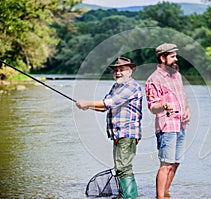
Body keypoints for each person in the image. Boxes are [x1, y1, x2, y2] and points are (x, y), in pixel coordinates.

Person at [76, 57, 142, 199]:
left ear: (130, 71)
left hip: (127, 133)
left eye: (122, 70)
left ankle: (130, 197)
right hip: (118, 134)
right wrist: (88, 106)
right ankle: (125, 195)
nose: (118, 73)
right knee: (120, 167)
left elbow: (109, 103)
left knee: (123, 168)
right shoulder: (116, 87)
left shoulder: (131, 87)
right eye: (116, 70)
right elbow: (104, 108)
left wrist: (87, 102)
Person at [145, 43, 191, 198]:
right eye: (172, 56)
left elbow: (183, 97)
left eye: (175, 56)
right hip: (166, 126)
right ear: (162, 58)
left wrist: (188, 110)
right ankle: (160, 196)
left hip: (181, 124)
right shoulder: (153, 79)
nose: (176, 59)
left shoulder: (177, 75)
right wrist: (163, 105)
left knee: (176, 162)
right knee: (166, 164)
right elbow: (152, 107)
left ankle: (165, 193)